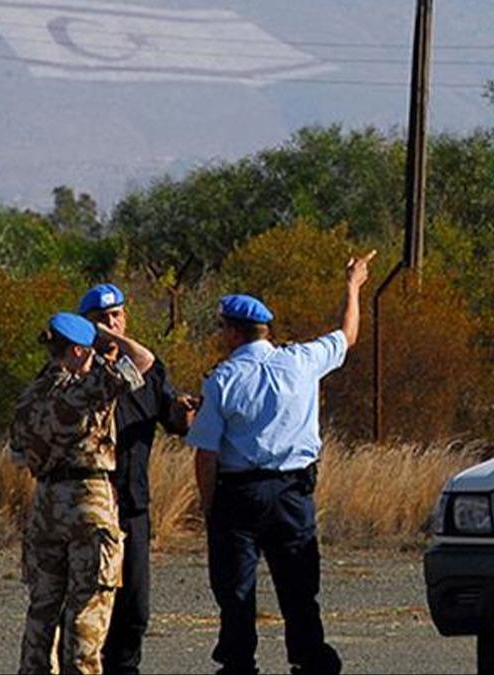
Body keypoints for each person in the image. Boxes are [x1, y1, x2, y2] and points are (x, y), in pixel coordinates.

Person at [188, 250, 377, 675]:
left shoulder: (222, 379)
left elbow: (207, 453)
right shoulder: (301, 361)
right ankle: (310, 658)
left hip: (239, 493)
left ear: (233, 333)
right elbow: (347, 335)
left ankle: (238, 662)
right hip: (293, 492)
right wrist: (353, 285)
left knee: (236, 586)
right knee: (298, 583)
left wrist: (208, 505)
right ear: (264, 330)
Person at [11, 311, 155, 674]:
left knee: (41, 612)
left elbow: (17, 457)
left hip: (45, 505)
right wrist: (110, 335)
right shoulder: (85, 388)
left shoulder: (28, 397)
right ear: (77, 351)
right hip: (89, 501)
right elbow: (144, 360)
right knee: (87, 613)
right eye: (88, 351)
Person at [76, 283, 198, 674]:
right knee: (91, 608)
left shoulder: (146, 370)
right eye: (104, 319)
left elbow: (174, 419)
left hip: (133, 505)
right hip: (92, 507)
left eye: (118, 315)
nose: (113, 324)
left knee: (135, 610)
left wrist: (185, 411)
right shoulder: (78, 373)